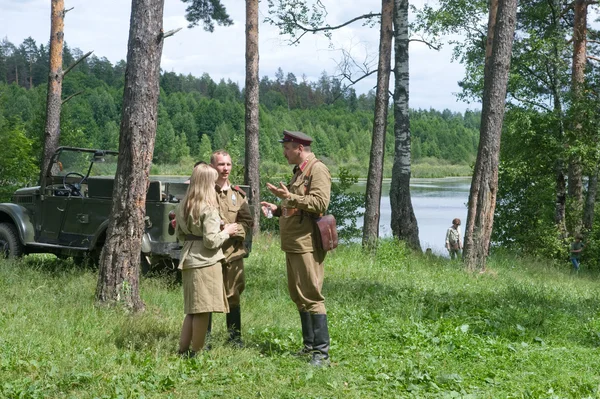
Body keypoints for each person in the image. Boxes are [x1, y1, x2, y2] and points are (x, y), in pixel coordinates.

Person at [260, 130, 332, 367]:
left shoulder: (317, 169)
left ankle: (321, 354)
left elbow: (320, 203)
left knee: (311, 295)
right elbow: (298, 206)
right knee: (298, 295)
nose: (284, 152)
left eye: (287, 147)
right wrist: (278, 208)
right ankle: (309, 346)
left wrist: (289, 197)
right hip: (293, 243)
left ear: (300, 148)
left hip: (307, 243)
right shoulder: (299, 172)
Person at [175, 163, 238, 358]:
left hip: (188, 258)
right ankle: (196, 352)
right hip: (205, 261)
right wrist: (226, 232)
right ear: (206, 183)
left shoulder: (183, 205)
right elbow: (211, 242)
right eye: (213, 181)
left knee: (191, 310)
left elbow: (179, 235)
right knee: (202, 310)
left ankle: (183, 351)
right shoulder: (208, 209)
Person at [209, 150, 253, 346]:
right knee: (207, 296)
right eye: (221, 164)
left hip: (233, 253)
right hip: (210, 253)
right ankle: (205, 338)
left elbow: (247, 222)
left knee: (233, 295)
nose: (225, 168)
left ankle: (234, 338)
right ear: (212, 167)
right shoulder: (206, 192)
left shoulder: (238, 195)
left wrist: (236, 231)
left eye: (228, 164)